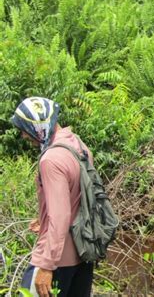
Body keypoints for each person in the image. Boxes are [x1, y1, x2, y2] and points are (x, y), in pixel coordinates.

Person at [12, 97, 94, 297]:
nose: (24, 135)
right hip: (83, 254)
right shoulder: (78, 145)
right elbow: (78, 199)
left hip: (58, 260)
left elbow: (61, 216)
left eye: (25, 128)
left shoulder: (51, 159)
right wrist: (44, 221)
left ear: (37, 125)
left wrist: (47, 265)